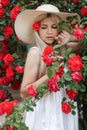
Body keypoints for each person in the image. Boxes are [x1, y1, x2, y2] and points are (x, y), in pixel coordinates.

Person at [14, 4, 80, 130]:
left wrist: (69, 38)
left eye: (54, 27)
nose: (49, 32)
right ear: (37, 29)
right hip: (45, 113)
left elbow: (83, 41)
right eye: (44, 27)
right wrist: (50, 75)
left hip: (63, 109)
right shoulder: (36, 52)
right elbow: (24, 93)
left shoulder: (63, 48)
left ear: (59, 29)